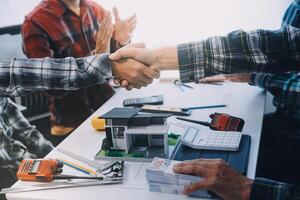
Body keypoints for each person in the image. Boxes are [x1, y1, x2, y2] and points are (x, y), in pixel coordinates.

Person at [109, 0, 300, 198]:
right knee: (242, 133)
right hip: (284, 119)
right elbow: (281, 46)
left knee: (239, 158)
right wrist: (158, 58)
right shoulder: (296, 7)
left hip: (293, 139)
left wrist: (250, 189)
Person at [0, 53, 158, 191]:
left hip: (23, 165)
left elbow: (20, 126)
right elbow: (33, 73)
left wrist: (52, 155)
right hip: (8, 179)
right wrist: (111, 66)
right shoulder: (35, 23)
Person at [22, 0, 137, 136]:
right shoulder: (35, 22)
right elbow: (50, 86)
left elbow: (111, 60)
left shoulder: (95, 9)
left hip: (107, 109)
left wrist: (121, 41)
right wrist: (95, 59)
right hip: (73, 124)